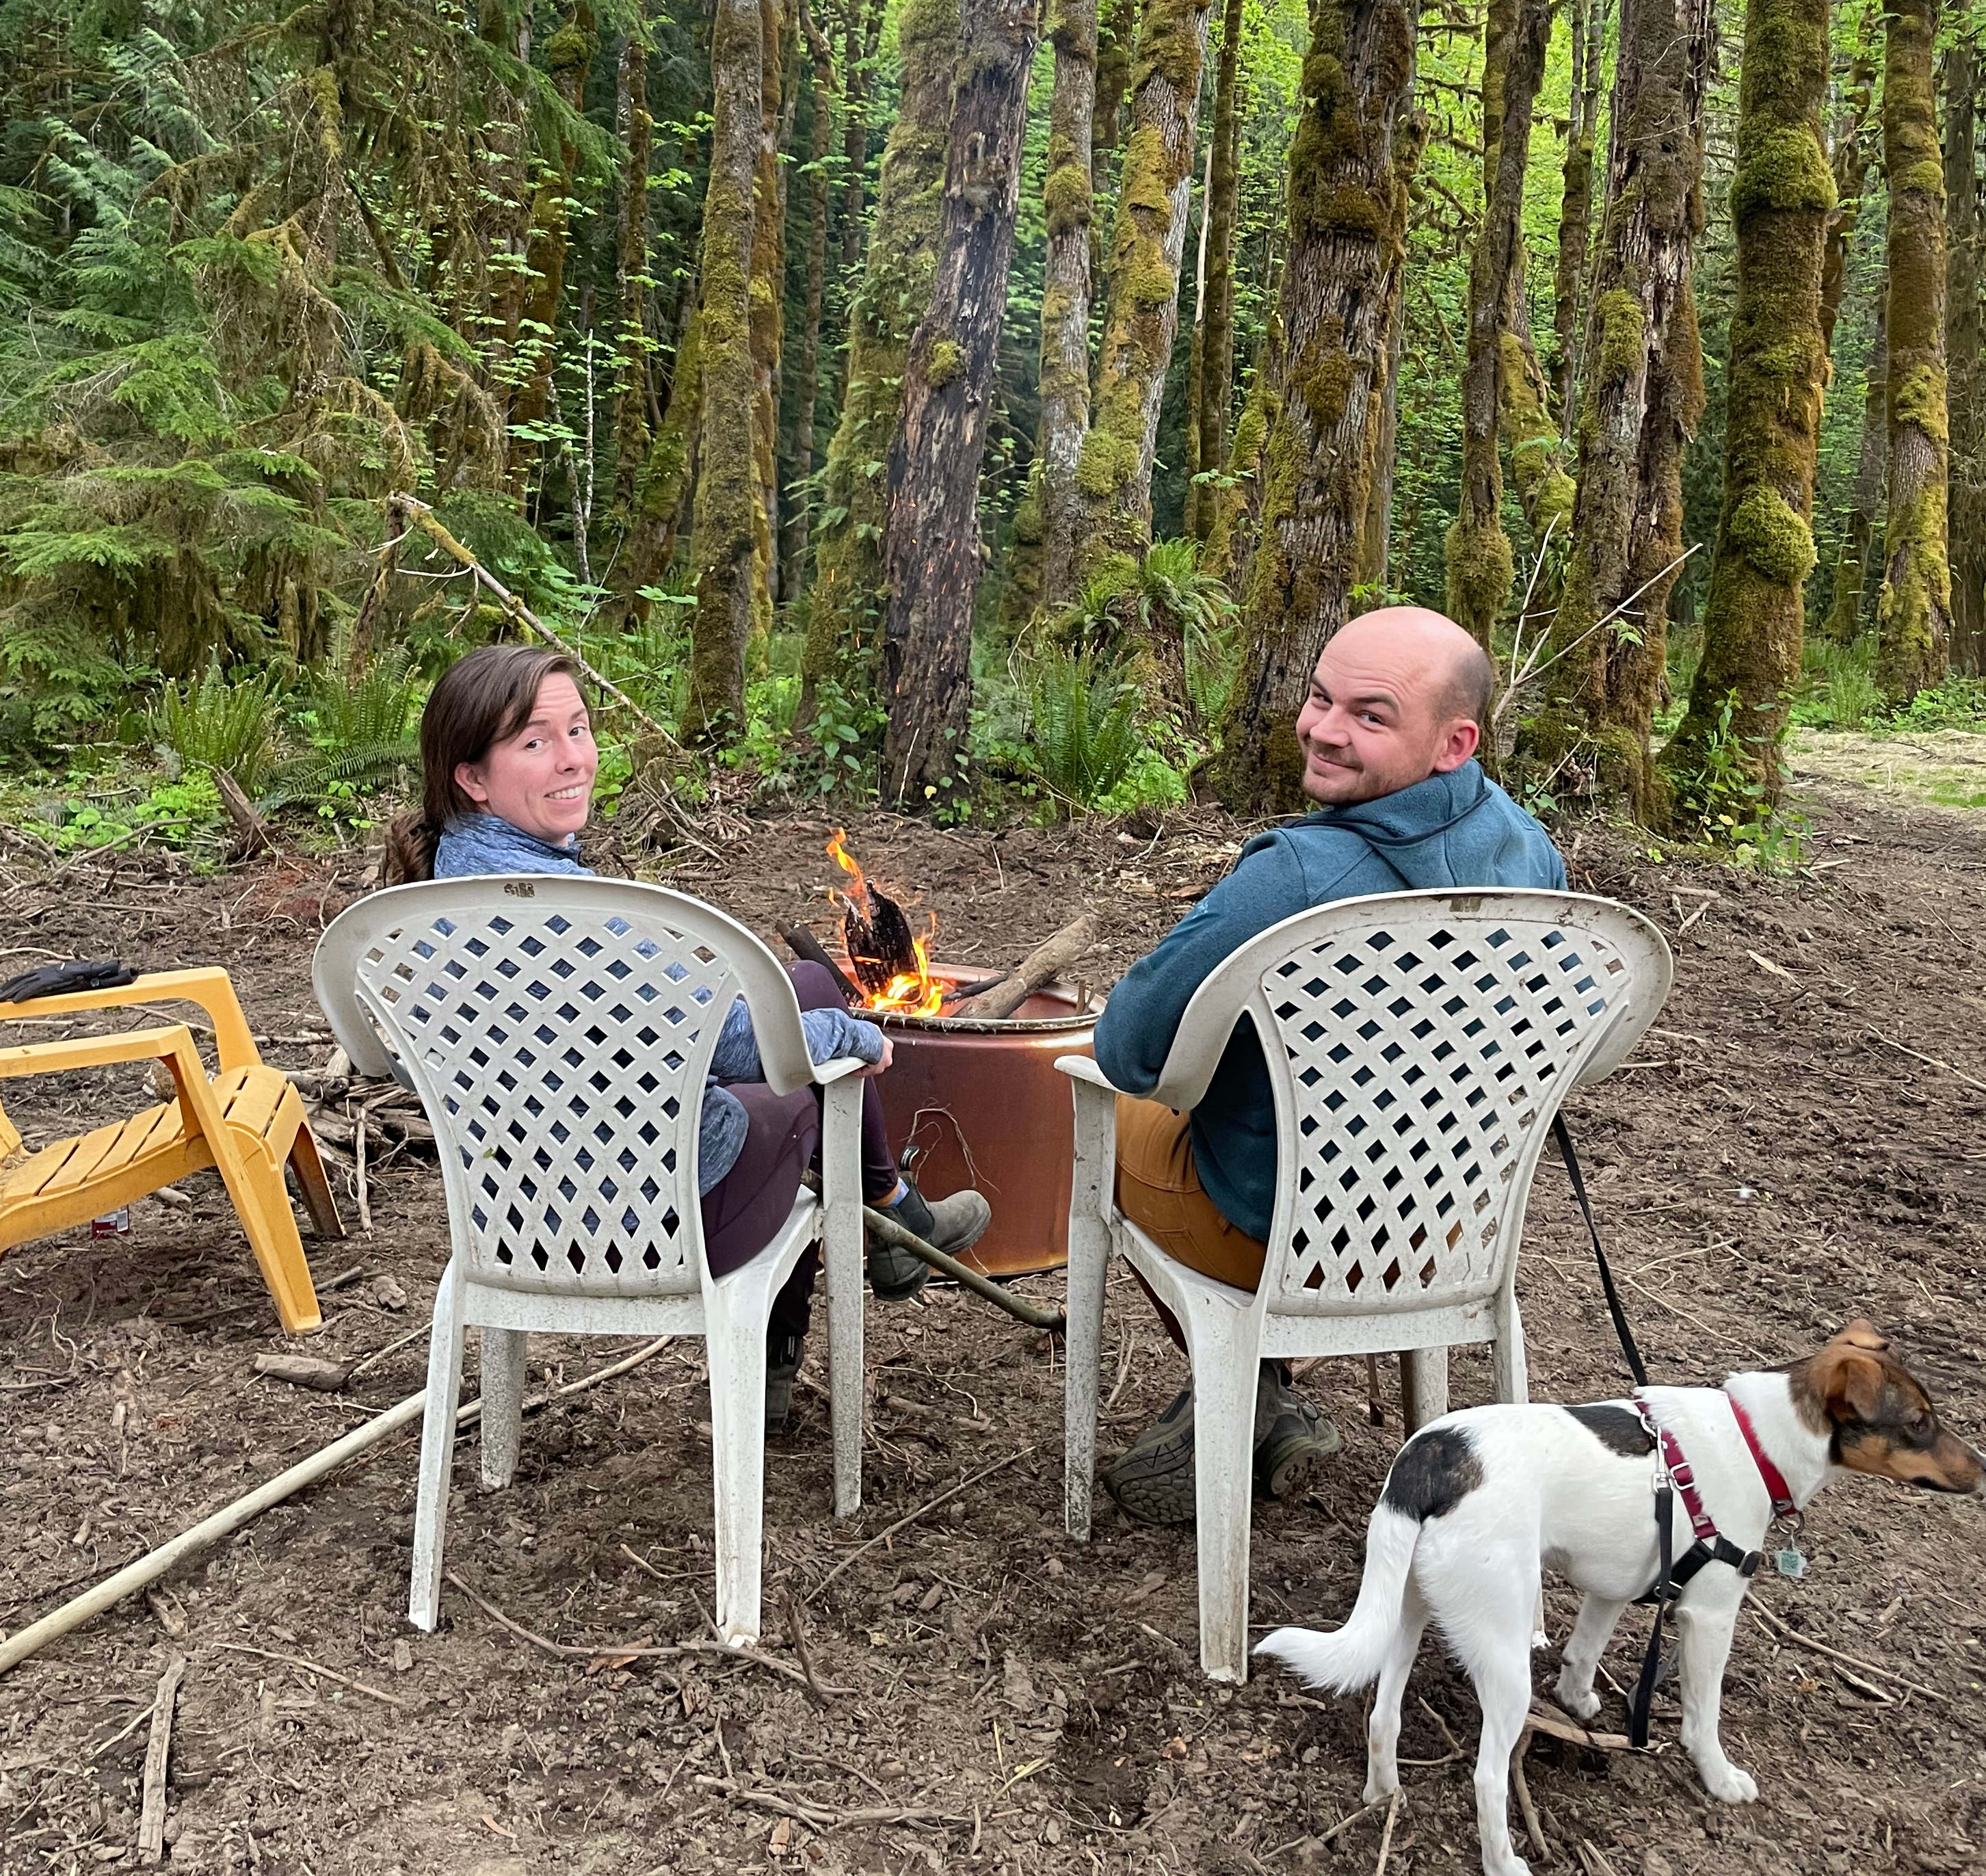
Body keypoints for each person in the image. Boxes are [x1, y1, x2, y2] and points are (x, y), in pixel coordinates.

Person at [380, 642, 990, 1426]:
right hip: (656, 1229)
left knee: (801, 995)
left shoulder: (417, 908)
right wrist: (859, 1038)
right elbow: (744, 1046)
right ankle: (878, 1230)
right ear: (472, 778)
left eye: (579, 729)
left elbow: (418, 1065)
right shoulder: (578, 913)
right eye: (535, 741)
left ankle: (893, 1214)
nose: (573, 759)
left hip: (509, 1230)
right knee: (811, 1053)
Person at [1092, 604, 1567, 1525]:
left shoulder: (1298, 876)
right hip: (1446, 1230)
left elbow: (1128, 1048)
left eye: (1370, 715)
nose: (1323, 729)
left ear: (1454, 742)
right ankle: (1266, 1388)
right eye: (1320, 698)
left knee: (1094, 1106)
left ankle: (1244, 1380)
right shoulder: (1529, 850)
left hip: (1280, 1232)